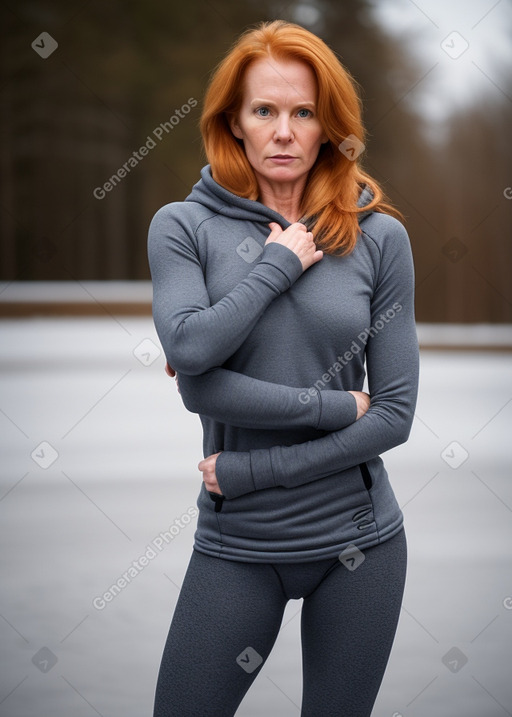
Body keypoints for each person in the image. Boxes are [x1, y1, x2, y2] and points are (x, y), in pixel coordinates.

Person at [148, 19, 419, 717]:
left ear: (329, 124)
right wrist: (277, 266)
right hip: (238, 543)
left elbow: (392, 414)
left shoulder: (379, 236)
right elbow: (194, 363)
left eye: (303, 112)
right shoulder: (183, 227)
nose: (284, 132)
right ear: (233, 121)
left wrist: (255, 470)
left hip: (360, 545)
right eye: (264, 110)